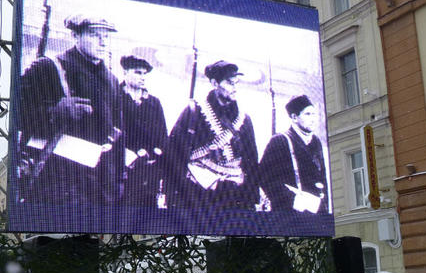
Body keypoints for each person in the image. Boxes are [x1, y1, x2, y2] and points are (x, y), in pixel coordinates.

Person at [17, 15, 125, 207]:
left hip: (97, 187)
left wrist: (116, 183)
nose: (102, 42)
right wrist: (53, 113)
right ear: (75, 36)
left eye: (106, 36)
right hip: (55, 181)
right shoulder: (48, 67)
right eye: (94, 34)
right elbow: (16, 114)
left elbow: (117, 133)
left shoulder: (112, 81)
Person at [164, 60, 260, 210]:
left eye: (236, 83)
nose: (234, 88)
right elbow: (174, 154)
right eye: (229, 83)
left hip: (233, 197)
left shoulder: (243, 120)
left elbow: (251, 161)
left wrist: (251, 200)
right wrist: (173, 196)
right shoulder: (194, 112)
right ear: (215, 83)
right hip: (197, 195)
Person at [259, 94, 328, 214]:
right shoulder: (280, 141)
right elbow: (264, 178)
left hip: (316, 213)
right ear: (294, 117)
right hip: (290, 214)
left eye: (314, 114)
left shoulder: (316, 141)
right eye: (307, 114)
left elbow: (322, 177)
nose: (313, 119)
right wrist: (294, 200)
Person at [118, 53, 168, 208]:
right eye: (137, 72)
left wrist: (156, 156)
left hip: (149, 172)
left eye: (144, 74)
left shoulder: (154, 102)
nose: (142, 77)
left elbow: (163, 137)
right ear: (125, 72)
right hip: (122, 170)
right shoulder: (115, 98)